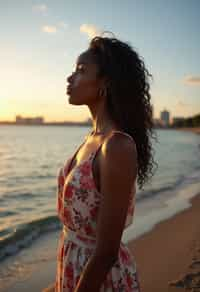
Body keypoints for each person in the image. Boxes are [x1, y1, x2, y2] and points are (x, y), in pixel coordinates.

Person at [44, 35, 157, 292]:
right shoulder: (92, 139)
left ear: (105, 82)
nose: (70, 78)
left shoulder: (116, 146)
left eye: (81, 71)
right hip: (75, 266)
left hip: (100, 280)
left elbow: (106, 251)